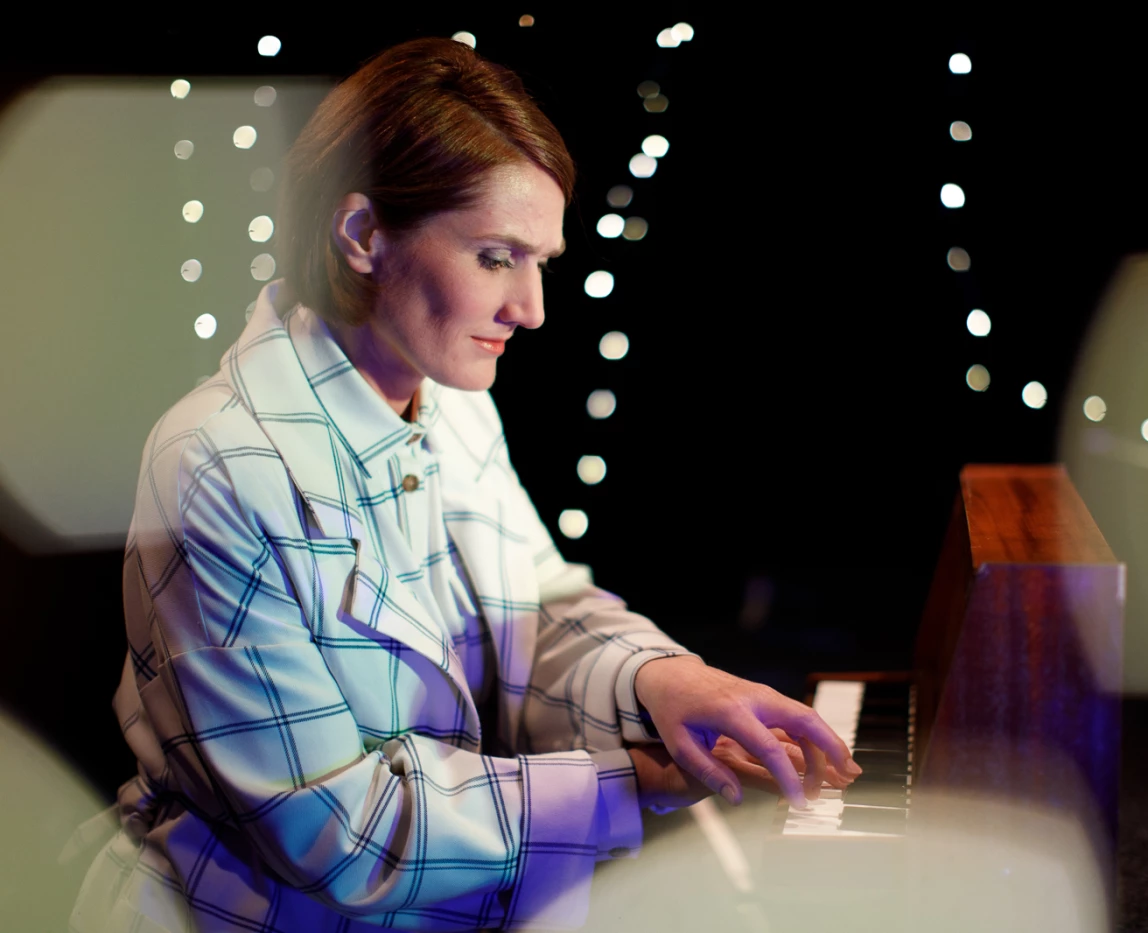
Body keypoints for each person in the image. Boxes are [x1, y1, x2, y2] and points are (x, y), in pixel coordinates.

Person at [69, 36, 858, 932]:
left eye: (541, 263)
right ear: (363, 234)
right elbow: (335, 828)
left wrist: (665, 681)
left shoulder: (450, 397)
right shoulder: (217, 464)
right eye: (495, 257)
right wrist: (616, 786)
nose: (531, 309)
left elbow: (538, 605)